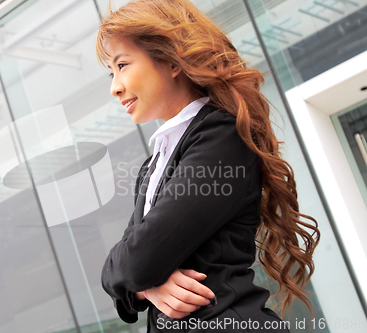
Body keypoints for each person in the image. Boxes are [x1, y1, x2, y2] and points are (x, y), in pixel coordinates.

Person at [97, 0, 320, 332]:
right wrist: (144, 287)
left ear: (171, 59)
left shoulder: (222, 136)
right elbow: (126, 270)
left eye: (123, 65)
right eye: (112, 71)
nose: (114, 87)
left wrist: (137, 276)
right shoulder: (153, 165)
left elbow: (137, 260)